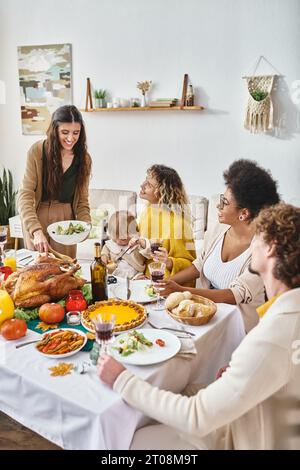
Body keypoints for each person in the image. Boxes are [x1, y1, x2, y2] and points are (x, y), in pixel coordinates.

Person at [98, 203, 300, 450]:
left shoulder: (271, 337)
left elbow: (196, 417)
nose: (250, 243)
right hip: (254, 416)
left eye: (256, 238)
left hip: (239, 437)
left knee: (130, 439)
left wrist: (121, 379)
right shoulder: (286, 313)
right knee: (179, 389)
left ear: (270, 250)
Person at [158, 159, 280, 332]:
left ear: (243, 213)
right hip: (207, 314)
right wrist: (167, 282)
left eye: (224, 202)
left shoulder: (263, 250)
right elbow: (199, 265)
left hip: (237, 327)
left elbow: (232, 295)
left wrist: (182, 291)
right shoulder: (218, 228)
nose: (218, 205)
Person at [18, 105, 92, 258]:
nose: (71, 138)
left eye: (76, 133)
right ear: (55, 130)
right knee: (37, 272)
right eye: (65, 132)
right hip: (37, 216)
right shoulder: (37, 151)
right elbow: (25, 195)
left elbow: (82, 201)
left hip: (65, 221)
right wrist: (35, 230)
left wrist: (86, 225)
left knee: (64, 271)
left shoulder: (84, 159)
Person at [138, 164, 196, 286]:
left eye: (148, 184)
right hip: (145, 280)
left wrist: (169, 261)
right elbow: (143, 243)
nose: (142, 185)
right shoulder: (148, 210)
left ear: (161, 192)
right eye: (145, 180)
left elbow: (192, 267)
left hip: (165, 284)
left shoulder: (178, 224)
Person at [100, 210, 152, 279]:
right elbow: (104, 251)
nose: (119, 241)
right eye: (116, 237)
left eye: (123, 238)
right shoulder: (110, 244)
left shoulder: (136, 242)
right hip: (115, 275)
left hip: (135, 276)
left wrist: (141, 242)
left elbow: (149, 252)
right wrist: (104, 257)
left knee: (140, 281)